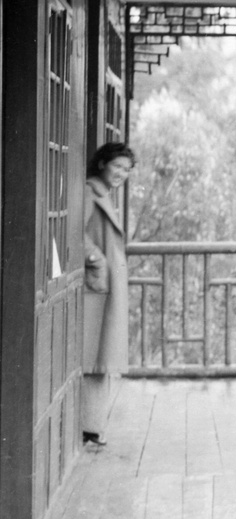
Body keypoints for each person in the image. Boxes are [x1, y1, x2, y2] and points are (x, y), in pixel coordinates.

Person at [82, 142, 135, 446]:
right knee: (95, 355)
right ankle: (90, 426)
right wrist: (95, 258)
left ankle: (93, 425)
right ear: (102, 163)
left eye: (126, 170)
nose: (120, 174)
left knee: (101, 355)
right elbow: (73, 231)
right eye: (116, 166)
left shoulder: (103, 194)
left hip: (103, 286)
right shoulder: (90, 192)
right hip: (96, 285)